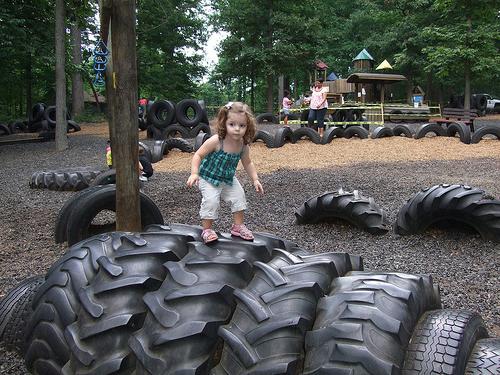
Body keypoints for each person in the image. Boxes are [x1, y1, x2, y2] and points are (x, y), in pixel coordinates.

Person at [186, 101, 264, 244]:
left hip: (228, 178)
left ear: (248, 126)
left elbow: (247, 162)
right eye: (232, 124)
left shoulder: (243, 145)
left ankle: (238, 226)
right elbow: (198, 155)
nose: (237, 129)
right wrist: (194, 173)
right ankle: (207, 230)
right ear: (224, 123)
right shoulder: (216, 141)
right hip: (208, 178)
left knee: (239, 197)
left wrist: (255, 179)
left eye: (242, 125)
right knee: (211, 201)